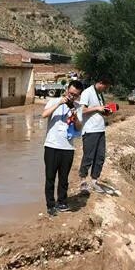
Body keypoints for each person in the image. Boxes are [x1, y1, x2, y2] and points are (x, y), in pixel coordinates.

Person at [41, 80, 83, 216]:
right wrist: (59, 103)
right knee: (50, 177)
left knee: (64, 178)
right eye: (70, 93)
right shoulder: (54, 101)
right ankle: (50, 205)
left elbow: (78, 127)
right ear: (66, 90)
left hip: (68, 148)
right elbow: (44, 115)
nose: (72, 97)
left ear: (79, 95)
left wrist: (75, 115)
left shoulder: (77, 107)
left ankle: (62, 202)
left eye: (75, 95)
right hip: (52, 146)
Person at [77, 73, 113, 195]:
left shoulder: (100, 94)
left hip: (100, 129)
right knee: (88, 156)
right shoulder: (87, 92)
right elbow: (82, 111)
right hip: (90, 130)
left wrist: (105, 111)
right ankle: (83, 181)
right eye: (105, 87)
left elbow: (99, 109)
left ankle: (94, 181)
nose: (106, 89)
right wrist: (97, 108)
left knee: (100, 157)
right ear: (100, 83)